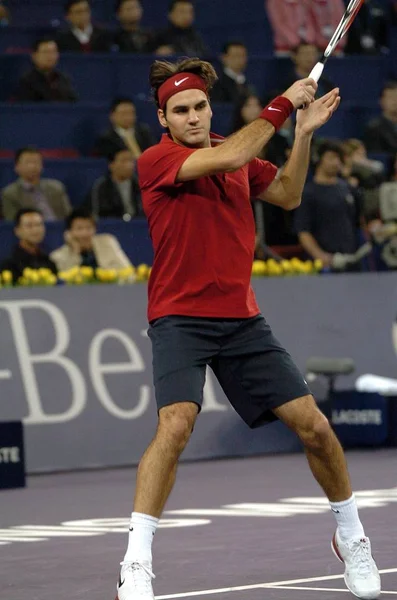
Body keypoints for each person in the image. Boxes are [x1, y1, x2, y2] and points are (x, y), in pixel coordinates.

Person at [115, 57, 381, 600]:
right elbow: (234, 151)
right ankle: (135, 561)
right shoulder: (157, 160)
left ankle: (352, 537)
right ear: (163, 120)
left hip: (241, 319)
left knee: (316, 429)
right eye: (180, 111)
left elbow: (286, 194)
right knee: (176, 425)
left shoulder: (235, 155)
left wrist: (302, 136)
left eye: (199, 107)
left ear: (210, 108)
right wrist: (284, 103)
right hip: (179, 318)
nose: (192, 117)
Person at [294, 141, 362, 269]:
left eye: (338, 158)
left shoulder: (348, 188)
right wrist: (320, 256)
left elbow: (357, 221)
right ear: (318, 159)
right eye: (331, 158)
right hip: (326, 265)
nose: (336, 162)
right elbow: (303, 231)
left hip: (351, 260)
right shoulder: (308, 193)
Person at [1, 147, 71, 222]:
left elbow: (69, 215)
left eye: (36, 162)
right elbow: (12, 221)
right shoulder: (9, 193)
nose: (32, 166)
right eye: (28, 162)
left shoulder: (56, 187)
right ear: (17, 167)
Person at [50, 207, 132, 271]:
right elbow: (65, 282)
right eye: (79, 228)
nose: (85, 233)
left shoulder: (107, 242)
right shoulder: (58, 256)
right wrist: (75, 251)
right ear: (69, 232)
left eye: (89, 228)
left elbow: (127, 270)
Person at [265, 0, 347, 56]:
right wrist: (297, 43)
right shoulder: (275, 2)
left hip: (321, 47)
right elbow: (279, 24)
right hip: (286, 48)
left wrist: (335, 42)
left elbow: (310, 21)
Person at [0, 209, 57, 284]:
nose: (35, 230)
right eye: (29, 226)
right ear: (17, 231)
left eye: (38, 225)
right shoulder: (9, 265)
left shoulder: (49, 262)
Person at [14, 38, 78, 102]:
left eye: (53, 52)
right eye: (45, 52)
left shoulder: (63, 79)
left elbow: (73, 103)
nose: (50, 56)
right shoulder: (27, 81)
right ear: (34, 56)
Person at [86, 149, 143, 219]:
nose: (129, 165)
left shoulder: (140, 184)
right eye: (124, 161)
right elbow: (98, 214)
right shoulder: (102, 186)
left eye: (131, 160)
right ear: (111, 165)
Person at [363, 81, 397, 156]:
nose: (395, 101)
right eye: (391, 97)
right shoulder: (374, 128)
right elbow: (377, 157)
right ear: (382, 101)